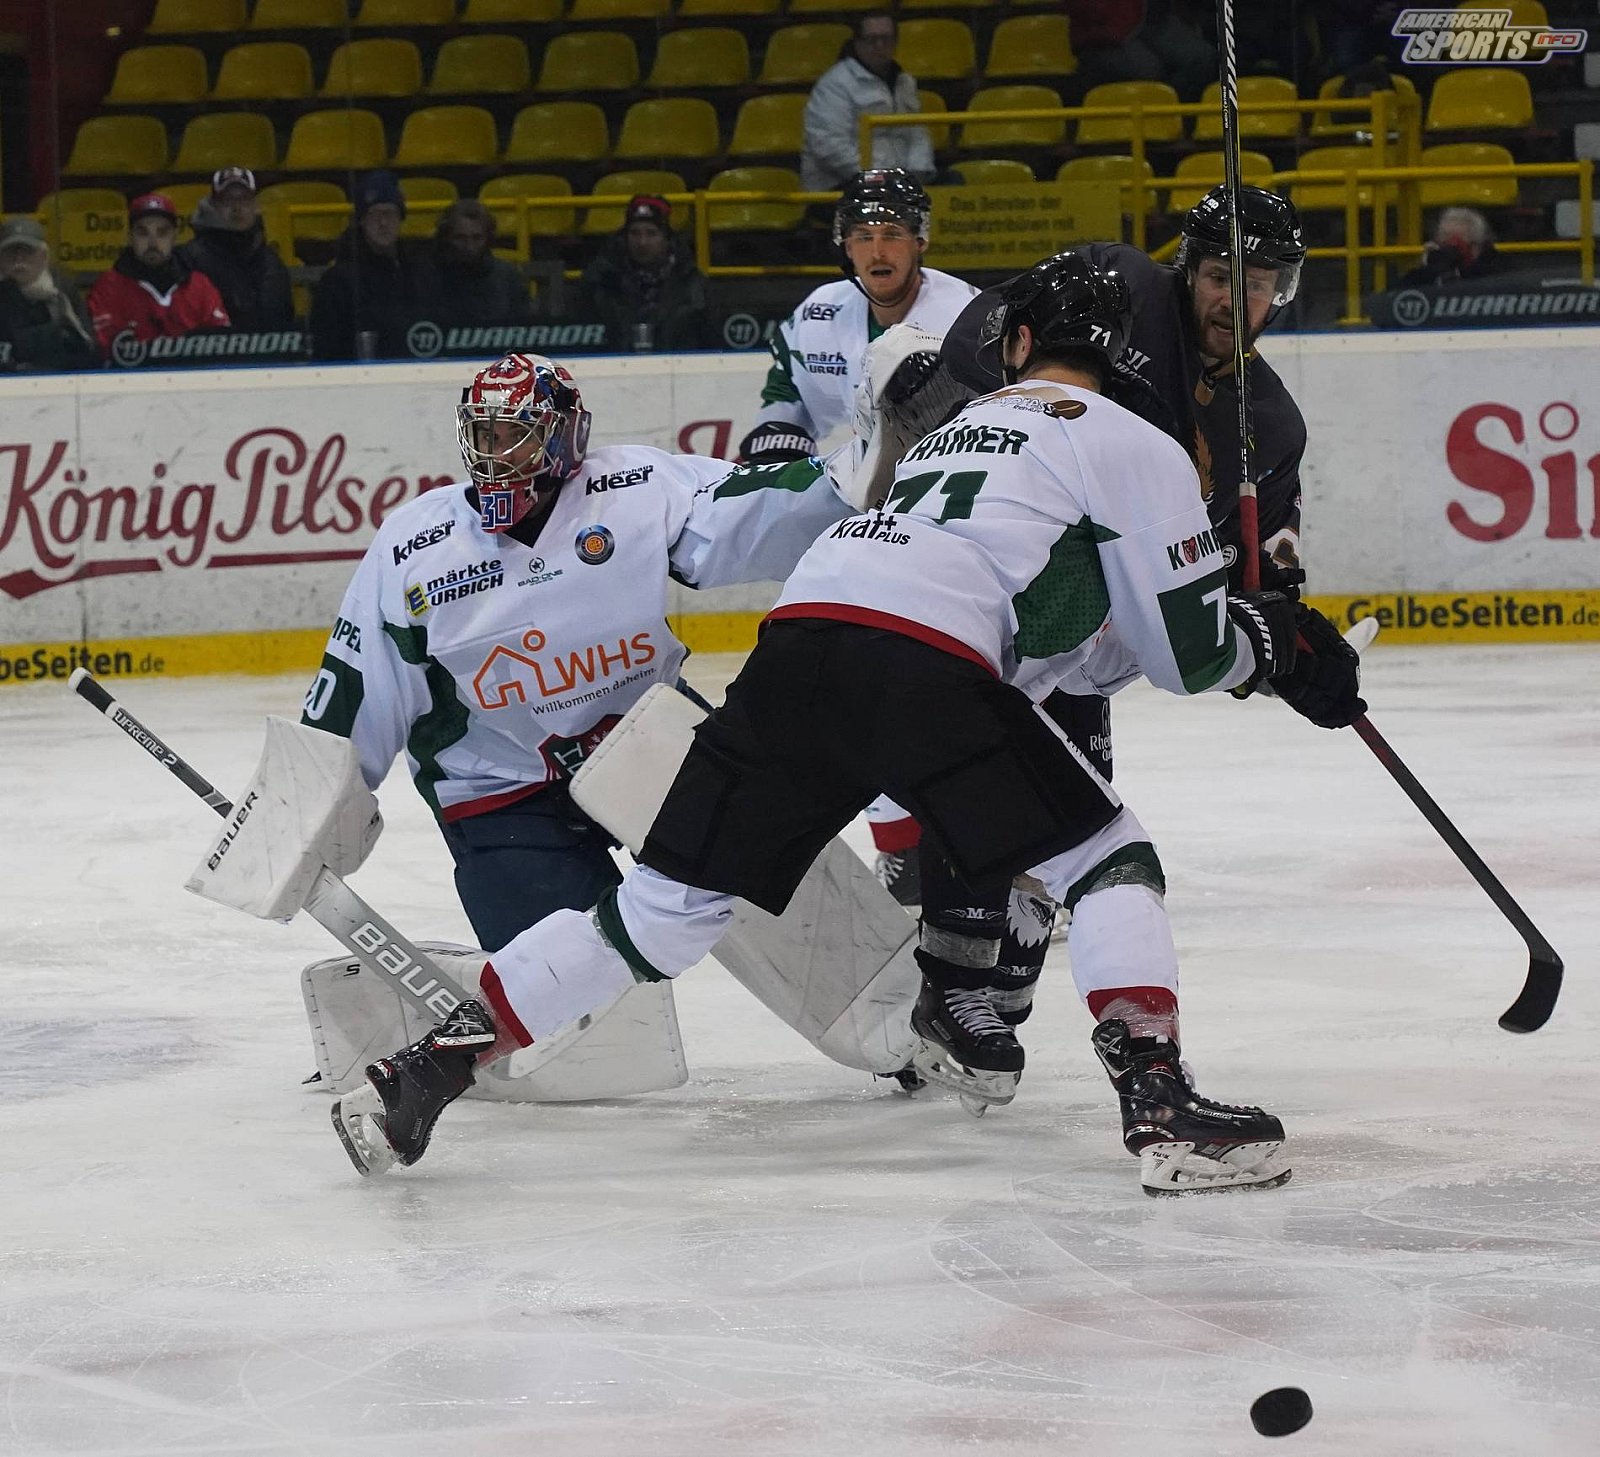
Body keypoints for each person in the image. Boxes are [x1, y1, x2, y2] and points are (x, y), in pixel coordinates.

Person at [328, 255, 1364, 1194]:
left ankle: (423, 1070)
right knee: (1105, 856)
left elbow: (1028, 618)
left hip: (799, 640)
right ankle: (1160, 1103)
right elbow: (1186, 658)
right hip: (920, 661)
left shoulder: (957, 430)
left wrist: (1233, 638)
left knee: (658, 912)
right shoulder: (1132, 442)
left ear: (1013, 343)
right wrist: (1274, 647)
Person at [889, 184, 1316, 1032]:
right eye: (1221, 277)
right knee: (981, 779)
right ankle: (952, 987)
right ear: (1188, 270)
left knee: (1061, 826)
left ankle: (986, 999)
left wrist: (1273, 634)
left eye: (1259, 284)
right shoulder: (1117, 286)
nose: (1236, 300)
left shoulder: (1269, 422)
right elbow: (981, 342)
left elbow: (1241, 572)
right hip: (992, 585)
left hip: (1090, 640)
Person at [300, 351, 853, 957]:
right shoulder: (415, 546)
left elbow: (767, 506)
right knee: (570, 985)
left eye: (517, 436)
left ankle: (900, 1005)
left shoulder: (635, 487)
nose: (495, 455)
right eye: (486, 435)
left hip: (654, 745)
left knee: (806, 916)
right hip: (501, 791)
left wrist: (876, 469)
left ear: (564, 437)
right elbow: (357, 686)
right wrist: (301, 809)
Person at [742, 167, 980, 907]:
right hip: (863, 522)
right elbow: (785, 394)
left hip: (954, 523)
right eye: (865, 235)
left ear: (921, 242)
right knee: (857, 685)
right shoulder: (818, 315)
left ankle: (1004, 855)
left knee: (967, 694)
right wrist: (776, 433)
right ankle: (904, 853)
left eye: (894, 234)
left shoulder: (968, 315)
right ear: (844, 245)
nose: (879, 250)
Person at [801, 12, 935, 194]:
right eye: (872, 39)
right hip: (845, 186)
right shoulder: (834, 84)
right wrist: (879, 179)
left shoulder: (906, 83)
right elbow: (829, 147)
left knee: (954, 181)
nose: (880, 45)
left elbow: (918, 136)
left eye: (886, 39)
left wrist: (916, 175)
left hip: (899, 186)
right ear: (857, 43)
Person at [86, 193, 230, 355]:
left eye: (162, 232)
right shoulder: (108, 288)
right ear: (130, 237)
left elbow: (222, 344)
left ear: (174, 236)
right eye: (143, 233)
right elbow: (105, 351)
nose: (153, 243)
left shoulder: (199, 285)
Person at [309, 170, 430, 361]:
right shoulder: (338, 281)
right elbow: (327, 346)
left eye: (390, 213)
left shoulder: (417, 272)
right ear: (362, 220)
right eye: (375, 214)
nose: (383, 223)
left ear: (401, 218)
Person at [578, 195, 714, 352]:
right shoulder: (600, 281)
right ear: (624, 237)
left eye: (651, 233)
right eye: (635, 233)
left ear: (667, 239)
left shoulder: (692, 283)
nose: (642, 242)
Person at [178, 166, 294, 333]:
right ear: (213, 206)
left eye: (244, 199)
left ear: (256, 206)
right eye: (228, 200)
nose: (237, 207)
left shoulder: (272, 263)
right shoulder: (189, 260)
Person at [0, 217, 98, 372]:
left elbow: (89, 352)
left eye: (27, 251)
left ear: (44, 256)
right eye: (11, 251)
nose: (19, 259)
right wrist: (55, 334)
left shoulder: (63, 292)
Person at [420, 199, 534, 330]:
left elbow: (525, 326)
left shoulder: (508, 277)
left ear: (488, 239)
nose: (469, 246)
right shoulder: (425, 278)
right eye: (460, 238)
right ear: (446, 238)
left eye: (477, 238)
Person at [1397, 207, 1504, 288]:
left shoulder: (1495, 275)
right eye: (1444, 239)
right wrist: (1429, 268)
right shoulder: (1425, 274)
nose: (1447, 248)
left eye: (1456, 242)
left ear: (1476, 247)